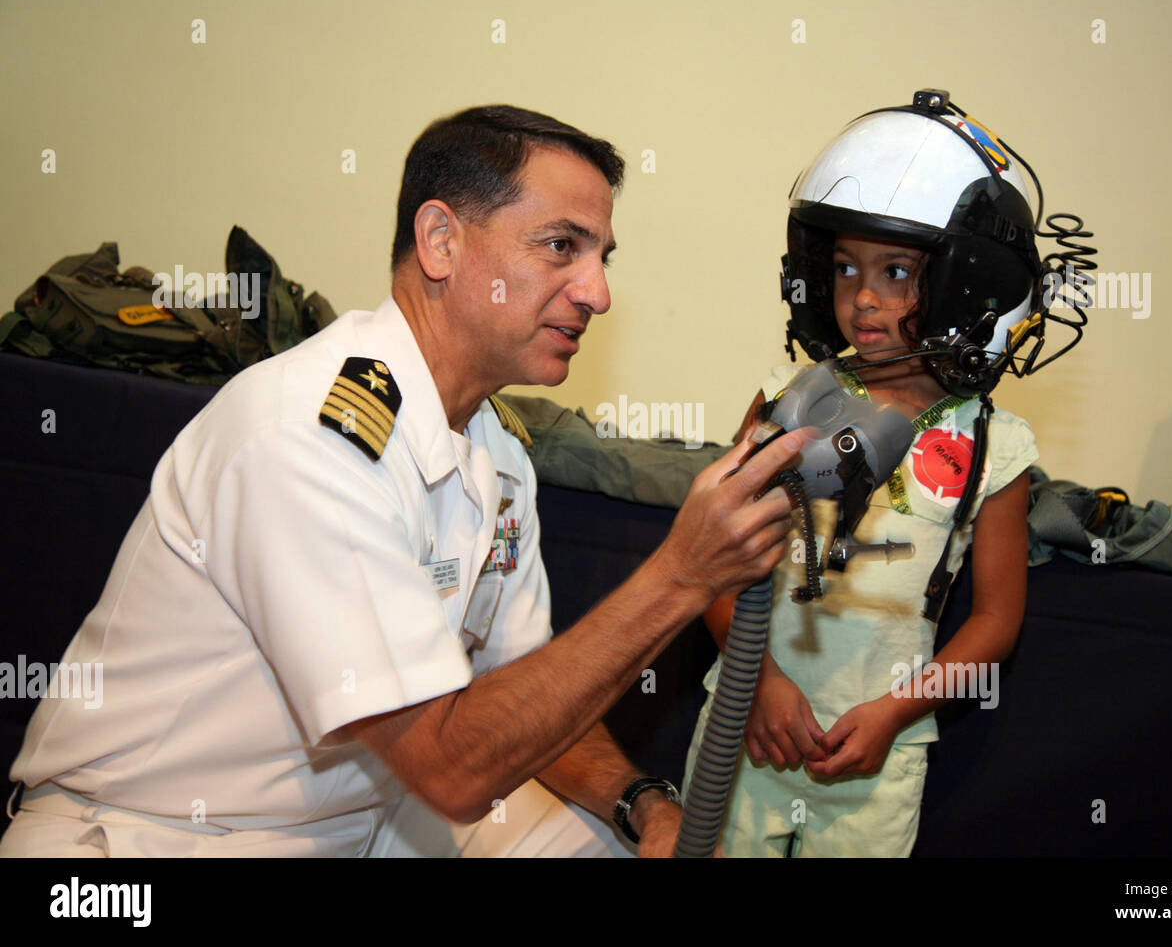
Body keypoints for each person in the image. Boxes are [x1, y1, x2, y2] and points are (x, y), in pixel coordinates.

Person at [0, 105, 808, 858]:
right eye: (562, 246)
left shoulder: (495, 450)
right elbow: (453, 769)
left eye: (601, 257)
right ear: (441, 242)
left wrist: (642, 804)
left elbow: (518, 699)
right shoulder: (307, 435)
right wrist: (681, 575)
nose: (596, 292)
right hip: (158, 833)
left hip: (374, 817)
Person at [684, 90, 1077, 856]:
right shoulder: (787, 399)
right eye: (844, 268)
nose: (862, 298)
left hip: (878, 757)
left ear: (971, 287)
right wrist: (759, 681)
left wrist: (896, 713)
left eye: (896, 271)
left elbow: (996, 621)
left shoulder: (996, 446)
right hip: (746, 722)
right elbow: (710, 561)